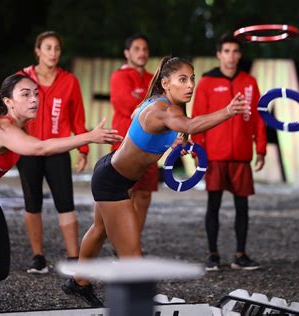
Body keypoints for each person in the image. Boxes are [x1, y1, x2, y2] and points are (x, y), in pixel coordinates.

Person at [0, 73, 122, 315]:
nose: (34, 99)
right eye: (25, 94)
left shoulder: (20, 128)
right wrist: (89, 137)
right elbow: (39, 148)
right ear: (8, 101)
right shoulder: (0, 127)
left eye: (36, 94)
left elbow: (41, 145)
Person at [61, 56, 251, 306]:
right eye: (182, 80)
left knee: (99, 231)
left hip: (111, 172)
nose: (190, 85)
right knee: (132, 257)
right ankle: (131, 306)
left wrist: (174, 142)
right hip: (113, 182)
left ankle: (78, 283)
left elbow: (155, 135)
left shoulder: (163, 104)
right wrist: (228, 111)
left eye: (192, 79)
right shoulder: (162, 109)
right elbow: (190, 125)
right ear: (165, 83)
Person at [191, 34, 266, 271]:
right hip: (214, 155)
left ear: (240, 55)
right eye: (226, 51)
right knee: (213, 205)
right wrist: (198, 151)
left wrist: (261, 148)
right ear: (218, 54)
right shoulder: (206, 82)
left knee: (242, 207)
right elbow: (197, 119)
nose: (231, 56)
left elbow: (258, 119)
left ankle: (240, 255)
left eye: (235, 51)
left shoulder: (250, 82)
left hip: (241, 155)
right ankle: (213, 255)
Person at [17, 31, 90, 273]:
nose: (53, 53)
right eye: (48, 48)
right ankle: (38, 257)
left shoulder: (69, 81)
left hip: (58, 149)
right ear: (37, 50)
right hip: (27, 148)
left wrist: (83, 149)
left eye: (57, 48)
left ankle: (73, 258)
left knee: (65, 202)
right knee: (32, 202)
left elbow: (77, 118)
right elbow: (9, 112)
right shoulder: (21, 78)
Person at [110, 34, 155, 235]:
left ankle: (134, 244)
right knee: (124, 195)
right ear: (127, 53)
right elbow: (128, 107)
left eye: (145, 49)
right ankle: (122, 243)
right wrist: (154, 108)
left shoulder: (154, 79)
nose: (142, 53)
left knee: (144, 195)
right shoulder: (119, 77)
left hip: (151, 144)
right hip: (125, 144)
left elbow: (166, 106)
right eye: (136, 49)